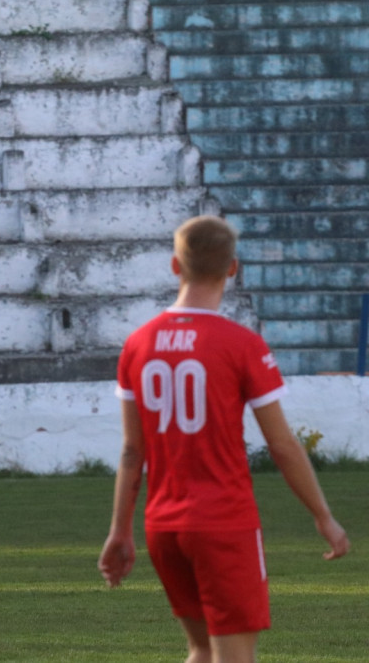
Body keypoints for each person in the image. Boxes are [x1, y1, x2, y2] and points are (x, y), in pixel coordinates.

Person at [98, 215, 350, 663]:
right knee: (234, 658)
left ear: (175, 266)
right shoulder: (241, 344)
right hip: (223, 525)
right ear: (232, 269)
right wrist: (323, 516)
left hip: (164, 526)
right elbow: (282, 445)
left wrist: (120, 530)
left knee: (200, 651)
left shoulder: (138, 344)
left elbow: (132, 451)